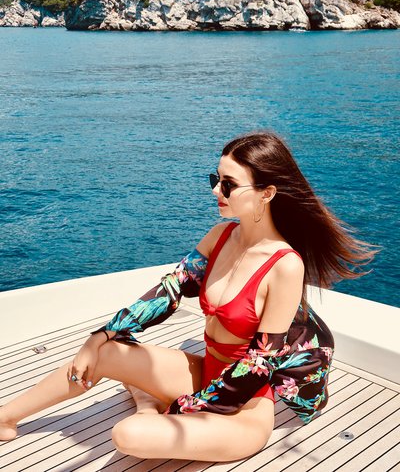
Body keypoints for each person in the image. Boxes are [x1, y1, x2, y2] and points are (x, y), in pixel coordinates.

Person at [0, 131, 375, 462]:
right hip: (204, 375)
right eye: (216, 180)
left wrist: (185, 407)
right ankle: (6, 417)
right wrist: (98, 337)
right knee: (106, 352)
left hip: (242, 408)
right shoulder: (220, 237)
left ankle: (147, 405)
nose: (216, 191)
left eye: (228, 185)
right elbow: (168, 292)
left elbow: (258, 365)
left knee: (129, 435)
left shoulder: (285, 266)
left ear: (267, 193)